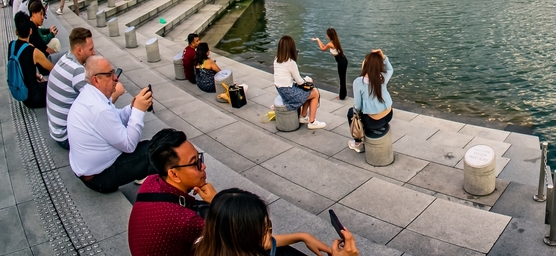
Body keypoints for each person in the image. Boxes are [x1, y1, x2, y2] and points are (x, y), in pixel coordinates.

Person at [66, 55, 155, 193]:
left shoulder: (90, 94)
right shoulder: (98, 108)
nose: (116, 78)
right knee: (158, 150)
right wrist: (138, 111)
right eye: (109, 74)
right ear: (96, 80)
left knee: (152, 146)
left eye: (113, 72)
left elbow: (115, 117)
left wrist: (131, 108)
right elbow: (129, 145)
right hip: (100, 178)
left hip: (91, 171)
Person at [127, 129, 217, 256]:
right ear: (174, 174)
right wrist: (217, 200)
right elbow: (234, 233)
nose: (203, 166)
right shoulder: (185, 221)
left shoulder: (151, 181)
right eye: (194, 163)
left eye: (199, 158)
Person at [194, 188, 355, 256]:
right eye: (266, 229)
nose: (270, 234)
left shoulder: (208, 244)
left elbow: (263, 243)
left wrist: (302, 236)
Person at [47, 28, 123, 149]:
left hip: (56, 130)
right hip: (66, 136)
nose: (94, 52)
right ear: (79, 50)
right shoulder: (77, 71)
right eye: (91, 49)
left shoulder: (64, 60)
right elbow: (97, 108)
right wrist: (116, 93)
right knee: (114, 133)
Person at [347, 49, 393, 153]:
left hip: (374, 122)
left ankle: (357, 143)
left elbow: (357, 106)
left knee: (351, 113)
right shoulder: (382, 77)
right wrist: (384, 57)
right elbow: (390, 69)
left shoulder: (359, 82)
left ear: (367, 64)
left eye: (364, 60)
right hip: (389, 115)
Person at [273, 36, 324, 129]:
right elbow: (300, 82)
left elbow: (286, 78)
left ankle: (303, 116)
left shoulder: (276, 60)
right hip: (289, 94)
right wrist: (308, 80)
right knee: (315, 92)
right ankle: (312, 121)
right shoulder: (290, 62)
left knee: (307, 91)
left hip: (283, 92)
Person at [8, 12, 54, 108]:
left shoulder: (11, 46)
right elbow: (53, 69)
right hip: (35, 98)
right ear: (30, 31)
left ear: (16, 32)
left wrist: (38, 77)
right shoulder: (33, 51)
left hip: (24, 97)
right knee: (59, 89)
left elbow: (23, 68)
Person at [313, 28, 348, 100]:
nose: (326, 35)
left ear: (329, 35)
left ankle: (342, 96)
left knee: (342, 79)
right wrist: (318, 40)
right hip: (343, 61)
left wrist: (318, 40)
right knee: (342, 78)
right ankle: (343, 95)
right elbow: (324, 46)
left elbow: (322, 49)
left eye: (327, 34)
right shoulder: (335, 41)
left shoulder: (331, 43)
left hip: (341, 62)